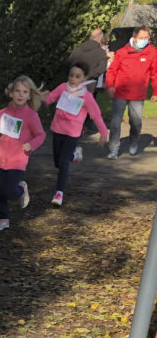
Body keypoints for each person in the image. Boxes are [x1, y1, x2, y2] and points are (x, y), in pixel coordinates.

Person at [0, 76, 45, 231]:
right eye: (17, 91)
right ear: (11, 93)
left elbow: (40, 135)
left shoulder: (31, 116)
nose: (20, 94)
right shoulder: (3, 113)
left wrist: (31, 145)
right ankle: (3, 218)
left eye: (25, 92)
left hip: (17, 160)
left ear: (30, 95)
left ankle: (21, 190)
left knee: (10, 191)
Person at [43, 62, 108, 206]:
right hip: (57, 130)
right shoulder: (62, 88)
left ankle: (59, 193)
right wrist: (41, 96)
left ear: (84, 78)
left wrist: (103, 132)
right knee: (57, 162)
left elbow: (96, 115)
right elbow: (49, 99)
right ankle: (74, 155)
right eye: (71, 75)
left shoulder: (86, 96)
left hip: (72, 134)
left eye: (78, 76)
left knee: (63, 162)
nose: (73, 78)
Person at [105, 26, 157, 158]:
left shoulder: (152, 53)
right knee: (115, 122)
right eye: (141, 37)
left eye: (146, 37)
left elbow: (155, 74)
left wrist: (155, 91)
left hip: (138, 95)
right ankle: (113, 149)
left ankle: (134, 140)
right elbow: (112, 71)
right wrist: (110, 86)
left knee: (136, 122)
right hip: (120, 93)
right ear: (134, 38)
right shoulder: (122, 52)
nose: (144, 40)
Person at [67, 28, 109, 136]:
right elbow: (101, 69)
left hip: (74, 82)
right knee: (85, 107)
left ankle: (71, 127)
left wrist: (74, 75)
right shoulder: (101, 53)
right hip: (89, 84)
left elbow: (68, 63)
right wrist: (88, 76)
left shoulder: (78, 49)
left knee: (73, 105)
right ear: (100, 39)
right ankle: (81, 128)